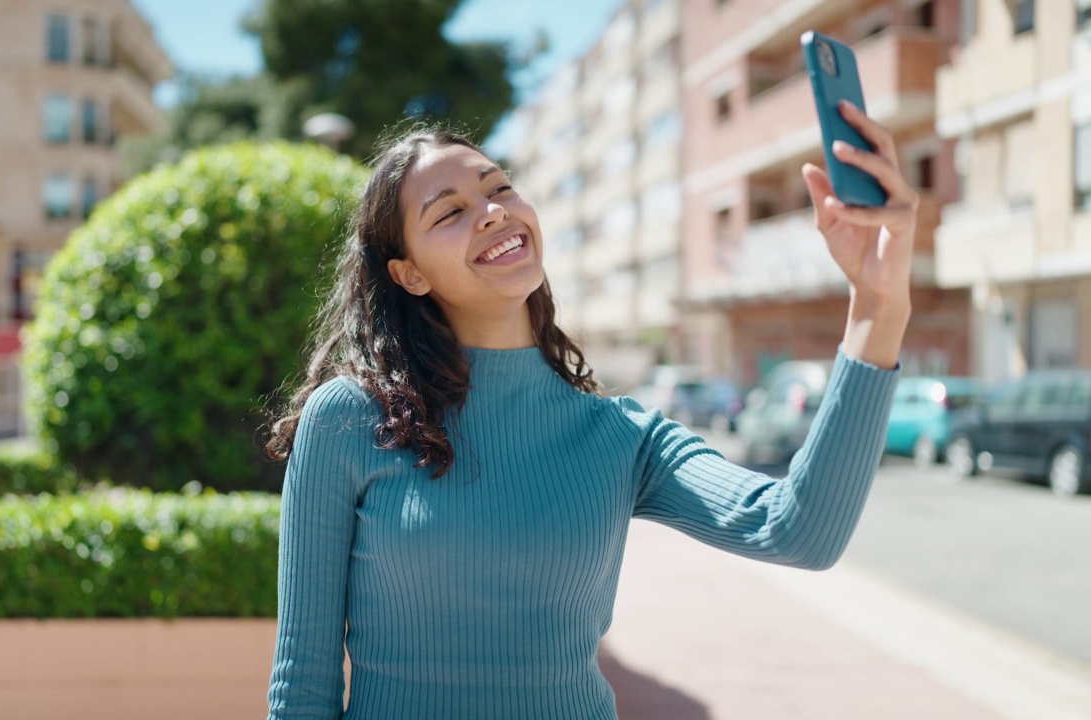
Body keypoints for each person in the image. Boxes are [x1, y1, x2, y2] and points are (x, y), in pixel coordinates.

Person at [265, 100, 915, 719]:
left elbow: (798, 530)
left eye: (499, 187)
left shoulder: (622, 435)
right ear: (409, 274)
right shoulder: (349, 420)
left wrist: (878, 307)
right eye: (449, 212)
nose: (493, 211)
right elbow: (302, 684)